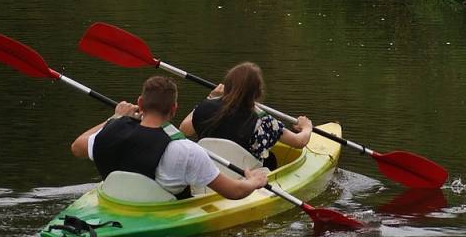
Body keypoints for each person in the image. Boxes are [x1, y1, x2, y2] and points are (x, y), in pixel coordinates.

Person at [71, 75, 268, 200]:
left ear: (140, 103)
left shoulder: (110, 133)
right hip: (159, 215)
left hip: (117, 204)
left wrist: (115, 118)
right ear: (174, 109)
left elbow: (77, 147)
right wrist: (253, 182)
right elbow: (234, 192)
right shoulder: (187, 151)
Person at [178, 62, 313, 170]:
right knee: (270, 159)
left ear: (227, 86)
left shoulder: (204, 108)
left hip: (211, 177)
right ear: (258, 92)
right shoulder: (263, 120)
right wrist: (306, 127)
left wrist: (209, 98)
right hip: (246, 180)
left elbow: (184, 130)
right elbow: (299, 142)